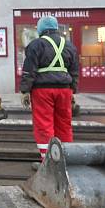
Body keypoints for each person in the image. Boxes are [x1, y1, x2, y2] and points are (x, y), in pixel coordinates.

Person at [20, 15, 79, 166]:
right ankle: (67, 159)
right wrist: (73, 91)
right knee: (64, 124)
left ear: (40, 29)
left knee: (44, 125)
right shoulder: (69, 45)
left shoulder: (36, 45)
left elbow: (29, 70)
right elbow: (74, 71)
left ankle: (49, 163)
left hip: (42, 91)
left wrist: (25, 91)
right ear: (56, 27)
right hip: (64, 90)